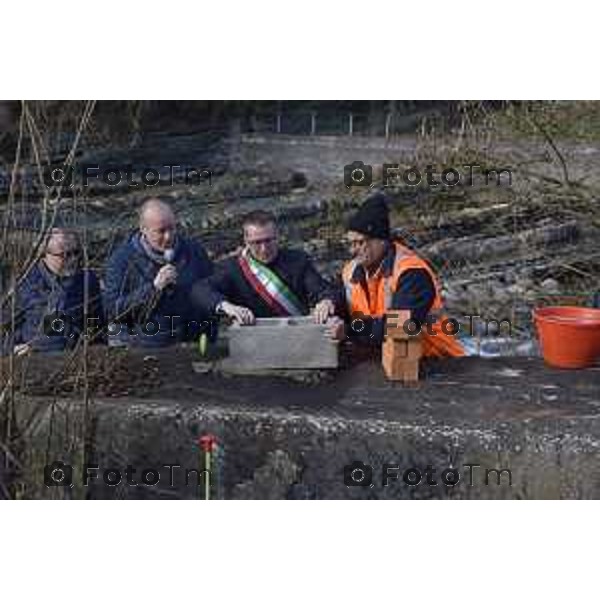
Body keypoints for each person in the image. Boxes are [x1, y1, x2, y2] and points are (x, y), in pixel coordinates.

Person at [329, 193, 465, 357]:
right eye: (350, 243)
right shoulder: (350, 271)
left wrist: (349, 330)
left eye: (360, 242)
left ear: (381, 240)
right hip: (387, 359)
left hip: (436, 359)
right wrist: (329, 304)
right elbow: (338, 295)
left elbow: (399, 326)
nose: (352, 250)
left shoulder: (412, 272)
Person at [191, 210, 336, 324]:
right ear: (246, 241)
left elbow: (323, 289)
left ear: (277, 236)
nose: (264, 249)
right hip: (253, 340)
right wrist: (228, 307)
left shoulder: (297, 260)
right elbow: (200, 289)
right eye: (257, 242)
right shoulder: (231, 268)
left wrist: (325, 301)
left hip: (297, 335)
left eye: (269, 241)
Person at [103, 198, 214, 347]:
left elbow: (211, 290)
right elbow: (114, 311)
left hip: (191, 344)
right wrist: (154, 288)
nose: (168, 237)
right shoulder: (121, 261)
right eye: (161, 231)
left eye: (172, 228)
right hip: (144, 347)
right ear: (143, 229)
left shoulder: (194, 251)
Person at [5, 227, 103, 354]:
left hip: (75, 357)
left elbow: (95, 320)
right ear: (44, 255)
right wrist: (13, 348)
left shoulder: (87, 280)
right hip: (35, 359)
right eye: (65, 255)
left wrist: (94, 345)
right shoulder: (25, 283)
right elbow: (5, 327)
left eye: (75, 252)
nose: (73, 259)